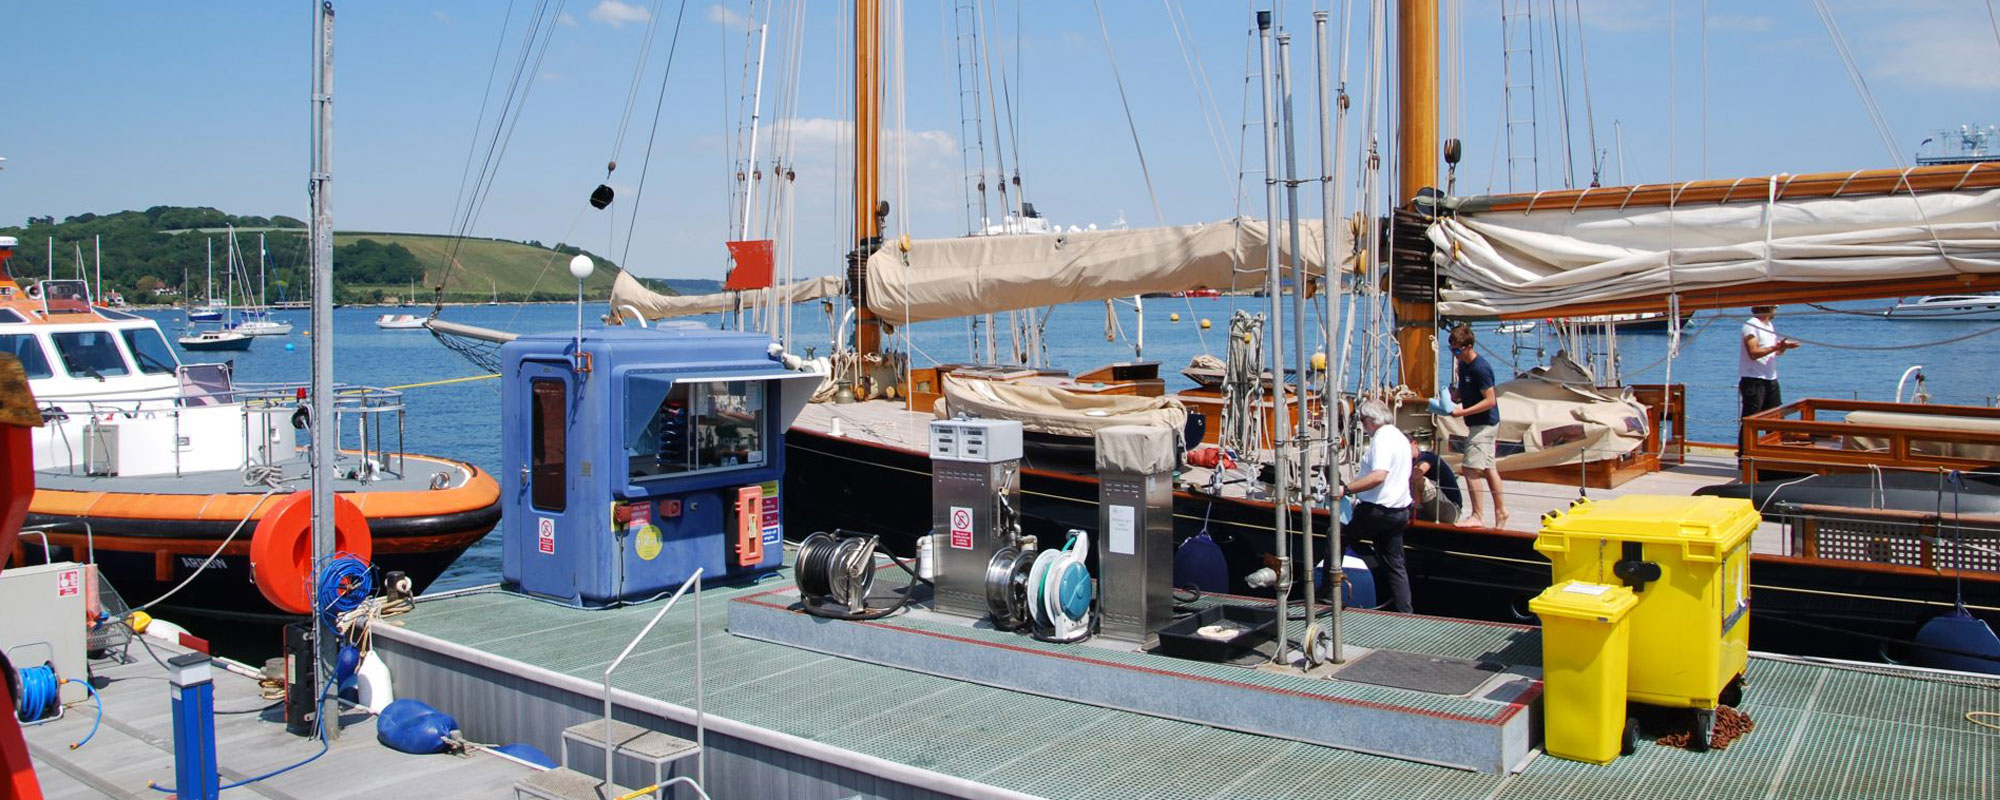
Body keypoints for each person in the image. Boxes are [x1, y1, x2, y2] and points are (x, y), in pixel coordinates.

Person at [1333, 399, 1414, 613]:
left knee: (1337, 535)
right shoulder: (1400, 437)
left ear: (1370, 420)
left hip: (1378, 510)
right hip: (1399, 510)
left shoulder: (1382, 439)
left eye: (1361, 421)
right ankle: (1405, 611)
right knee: (1394, 564)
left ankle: (1328, 592)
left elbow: (1379, 476)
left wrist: (1346, 490)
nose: (1362, 426)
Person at [1446, 324, 1507, 529]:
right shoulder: (1462, 364)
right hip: (1477, 424)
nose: (1454, 355)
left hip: (1484, 424)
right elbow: (1466, 389)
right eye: (1451, 350)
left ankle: (1477, 515)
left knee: (1470, 468)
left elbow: (1490, 400)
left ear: (1469, 346)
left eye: (1457, 350)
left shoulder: (1481, 368)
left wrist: (1462, 412)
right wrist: (1453, 398)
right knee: (1489, 468)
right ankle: (1501, 511)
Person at [1739, 305, 1799, 454]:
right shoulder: (1751, 325)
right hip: (1754, 379)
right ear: (1767, 307)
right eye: (1775, 307)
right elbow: (1753, 352)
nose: (1777, 310)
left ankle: (1771, 453)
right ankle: (1745, 456)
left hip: (1770, 379)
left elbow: (1776, 352)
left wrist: (1783, 347)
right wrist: (1776, 346)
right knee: (1751, 421)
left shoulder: (1769, 326)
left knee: (1774, 419)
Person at [1409, 438, 1463, 524]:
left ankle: (1413, 513)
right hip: (1429, 509)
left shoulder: (1428, 457)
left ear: (1415, 444)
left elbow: (1417, 473)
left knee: (1419, 480)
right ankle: (1412, 512)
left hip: (1451, 509)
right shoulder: (1409, 462)